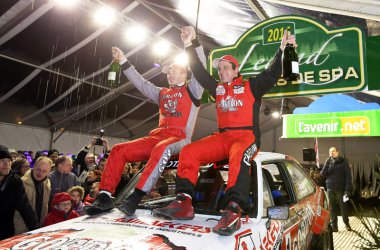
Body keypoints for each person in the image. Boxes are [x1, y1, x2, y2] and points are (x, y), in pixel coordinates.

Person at [152, 26, 296, 236]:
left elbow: (272, 72)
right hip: (223, 136)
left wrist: (282, 50)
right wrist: (189, 44)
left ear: (236, 70)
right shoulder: (217, 88)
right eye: (219, 69)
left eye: (226, 68)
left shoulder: (251, 86)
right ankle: (184, 202)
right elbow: (199, 71)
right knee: (189, 152)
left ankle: (233, 209)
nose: (222, 72)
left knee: (238, 156)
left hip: (247, 136)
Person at [85, 46, 204, 216]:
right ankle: (105, 196)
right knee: (119, 150)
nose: (169, 74)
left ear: (185, 73)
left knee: (162, 147)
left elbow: (201, 69)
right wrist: (124, 61)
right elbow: (141, 82)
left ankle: (136, 196)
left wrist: (194, 44)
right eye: (168, 71)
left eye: (174, 71)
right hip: (157, 137)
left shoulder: (194, 90)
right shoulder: (162, 93)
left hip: (179, 138)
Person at [0, 148, 39, 240]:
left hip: (6, 233)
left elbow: (25, 206)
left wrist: (35, 229)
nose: (7, 164)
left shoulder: (14, 180)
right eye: (2, 161)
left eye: (9, 160)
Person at [14, 156, 52, 234]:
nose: (40, 173)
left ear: (49, 171)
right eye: (38, 169)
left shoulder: (47, 183)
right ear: (33, 167)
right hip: (21, 227)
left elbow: (45, 206)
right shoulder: (22, 183)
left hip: (38, 226)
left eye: (44, 171)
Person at [320, 147, 352, 232]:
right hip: (330, 188)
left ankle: (346, 223)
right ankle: (334, 226)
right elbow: (322, 174)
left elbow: (348, 177)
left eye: (333, 151)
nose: (331, 153)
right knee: (332, 208)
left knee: (343, 207)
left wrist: (347, 190)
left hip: (341, 189)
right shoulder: (328, 162)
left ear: (338, 152)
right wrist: (326, 164)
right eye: (330, 151)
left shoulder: (343, 161)